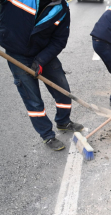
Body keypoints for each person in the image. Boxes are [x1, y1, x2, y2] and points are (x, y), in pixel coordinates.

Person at [0, 0, 83, 151]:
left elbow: (59, 40)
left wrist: (41, 61)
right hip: (17, 55)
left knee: (63, 90)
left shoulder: (62, 8)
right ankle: (47, 135)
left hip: (44, 54)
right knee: (33, 101)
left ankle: (63, 122)